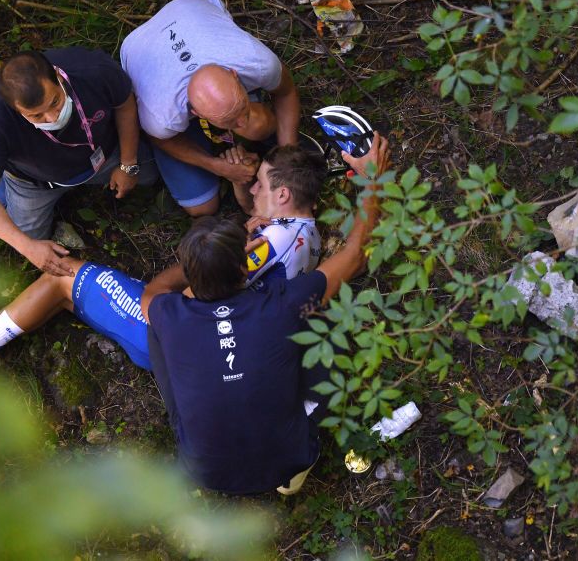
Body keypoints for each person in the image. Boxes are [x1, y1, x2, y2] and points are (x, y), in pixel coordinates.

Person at [0, 145, 328, 385]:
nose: (254, 183)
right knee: (76, 297)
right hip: (219, 350)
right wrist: (243, 190)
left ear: (285, 194)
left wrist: (170, 285)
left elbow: (199, 293)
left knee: (67, 275)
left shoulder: (269, 243)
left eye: (262, 180)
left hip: (179, 340)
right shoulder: (305, 234)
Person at [139, 133, 390, 496]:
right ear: (246, 267)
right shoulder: (283, 303)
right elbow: (354, 255)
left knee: (155, 332)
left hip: (206, 471)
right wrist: (371, 180)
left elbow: (151, 293)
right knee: (322, 320)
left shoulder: (170, 314)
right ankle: (296, 465)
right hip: (289, 457)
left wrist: (201, 263)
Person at [0, 48, 157, 276]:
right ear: (16, 110)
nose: (52, 117)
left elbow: (124, 104)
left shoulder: (92, 69)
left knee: (148, 173)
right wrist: (28, 247)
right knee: (26, 236)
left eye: (55, 101)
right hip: (34, 183)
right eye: (36, 116)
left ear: (58, 75)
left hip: (103, 154)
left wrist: (128, 163)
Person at [120, 0, 303, 217]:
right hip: (137, 45)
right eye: (230, 120)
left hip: (190, 6)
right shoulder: (162, 117)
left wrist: (288, 159)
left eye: (241, 108)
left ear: (234, 75)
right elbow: (161, 139)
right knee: (202, 207)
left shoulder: (257, 61)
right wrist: (217, 166)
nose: (241, 122)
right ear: (195, 113)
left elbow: (285, 93)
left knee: (257, 125)